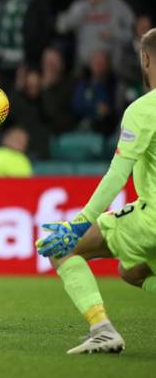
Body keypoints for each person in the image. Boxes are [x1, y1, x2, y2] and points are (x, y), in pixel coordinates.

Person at [36, 27, 156, 354]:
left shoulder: (144, 110)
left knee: (62, 250)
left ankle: (102, 330)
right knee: (131, 271)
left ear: (145, 59)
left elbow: (118, 174)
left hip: (153, 219)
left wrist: (79, 223)